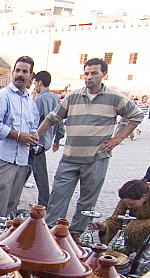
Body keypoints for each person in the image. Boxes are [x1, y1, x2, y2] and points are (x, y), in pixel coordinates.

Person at [36, 58, 144, 234]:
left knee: (87, 202)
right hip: (70, 158)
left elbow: (137, 115)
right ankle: (50, 234)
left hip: (96, 159)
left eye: (94, 73)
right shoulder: (73, 96)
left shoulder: (115, 97)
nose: (89, 77)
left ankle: (76, 235)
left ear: (104, 75)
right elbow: (52, 118)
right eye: (86, 73)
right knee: (58, 197)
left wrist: (118, 139)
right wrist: (36, 135)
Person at [0, 57, 41, 219]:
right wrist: (18, 135)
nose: (20, 75)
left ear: (31, 75)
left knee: (11, 203)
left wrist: (34, 135)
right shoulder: (2, 96)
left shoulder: (30, 101)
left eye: (24, 71)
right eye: (17, 70)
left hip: (21, 159)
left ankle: (4, 241)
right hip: (1, 157)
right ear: (12, 72)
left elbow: (33, 125)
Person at [31, 70, 64, 207]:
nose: (34, 86)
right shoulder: (56, 99)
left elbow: (32, 121)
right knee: (34, 172)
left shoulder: (39, 99)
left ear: (40, 82)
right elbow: (60, 121)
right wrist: (57, 139)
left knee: (39, 175)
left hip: (35, 142)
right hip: (46, 142)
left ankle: (44, 203)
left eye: (35, 83)